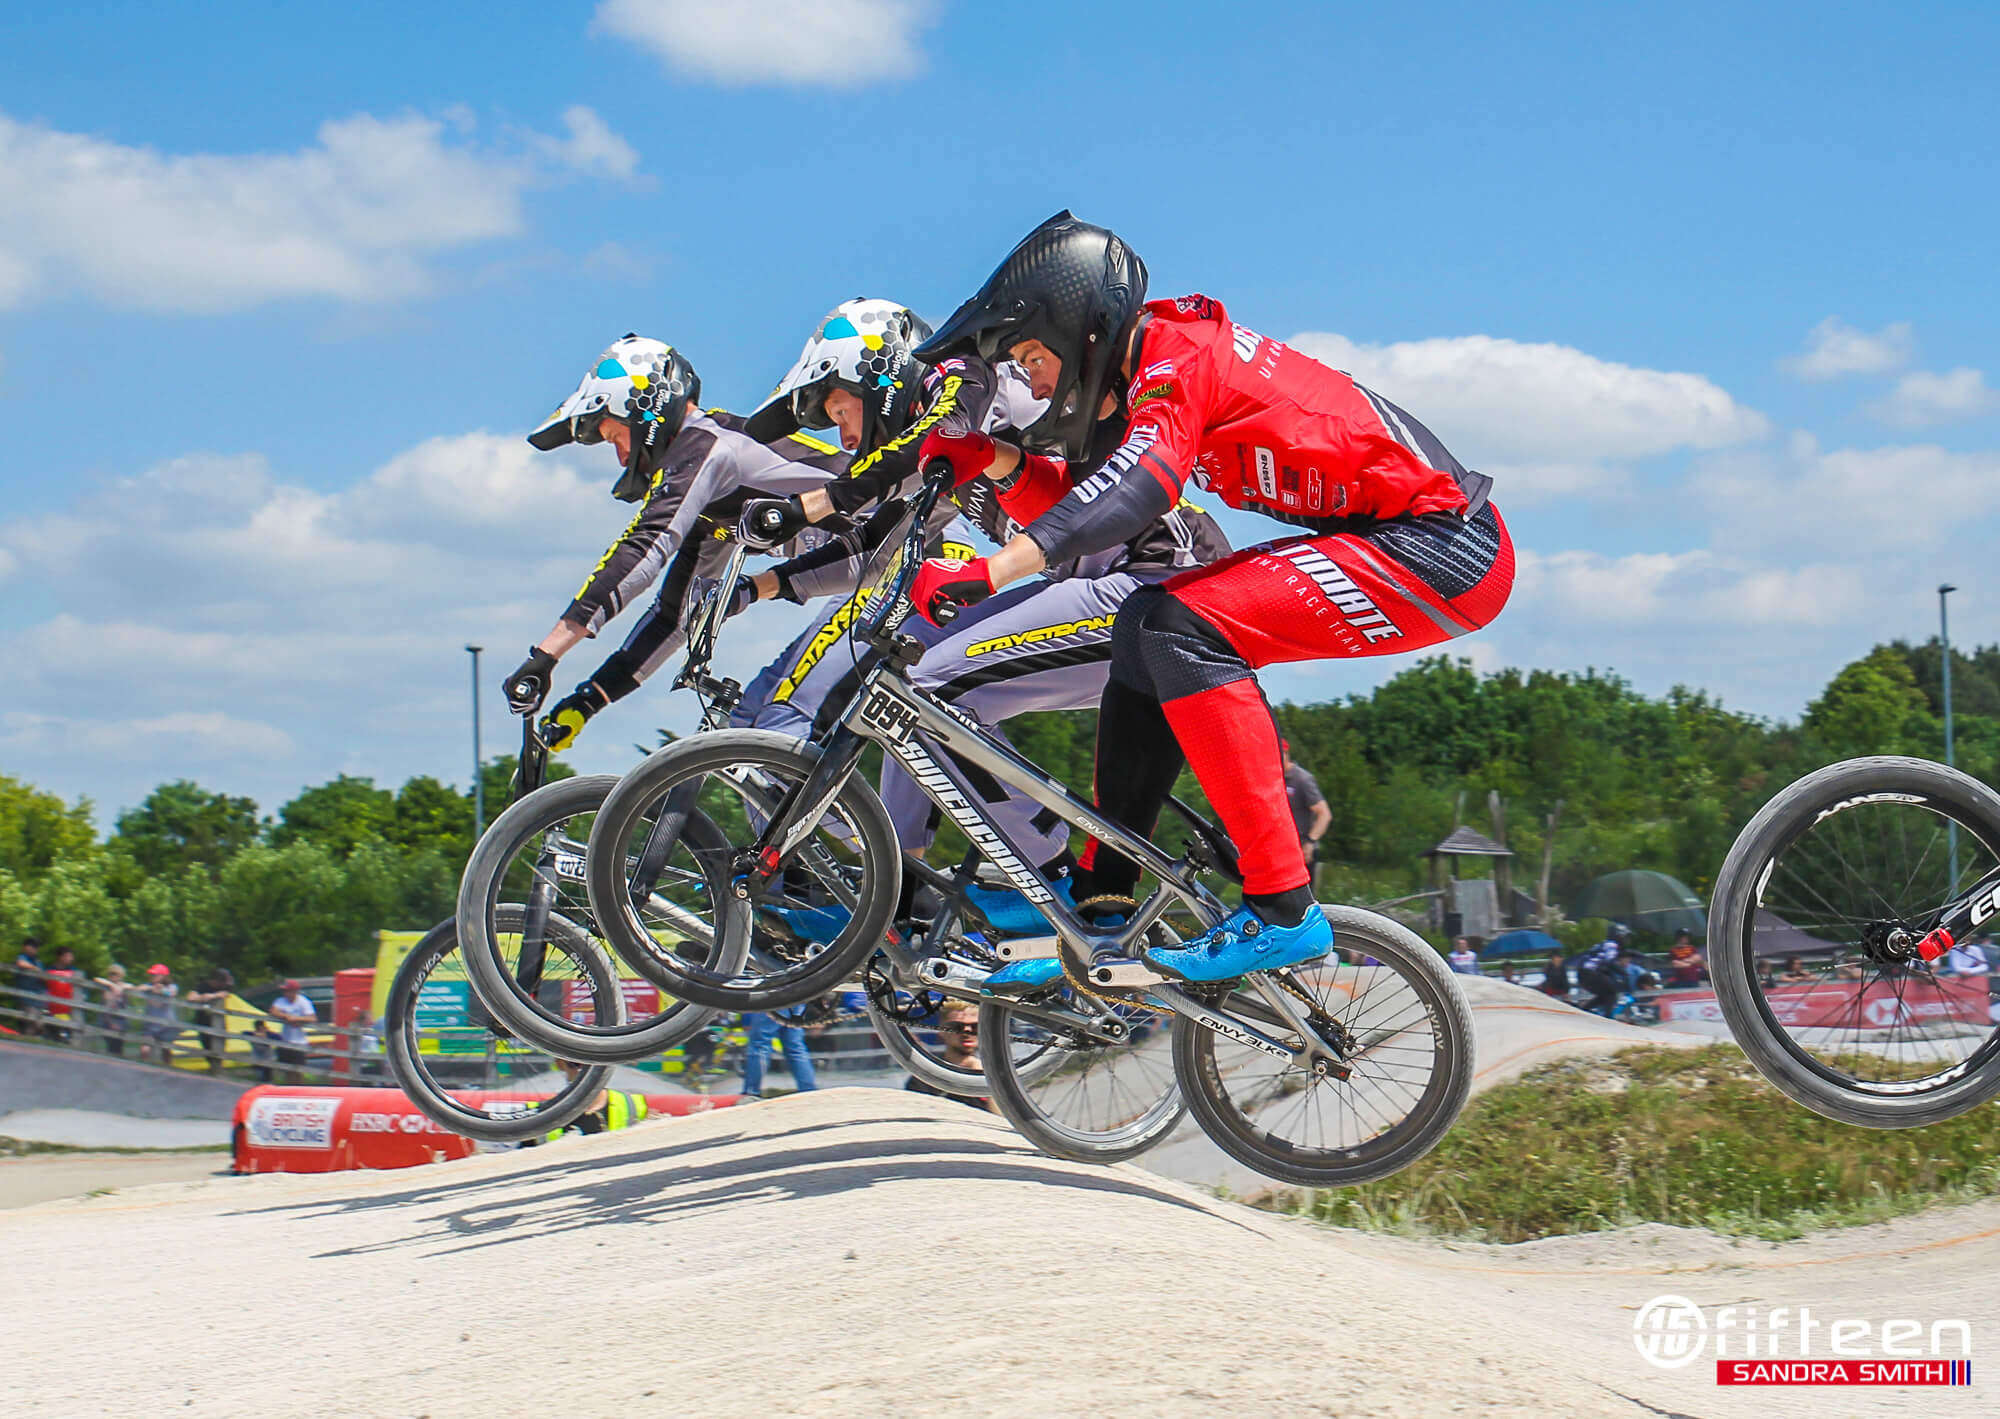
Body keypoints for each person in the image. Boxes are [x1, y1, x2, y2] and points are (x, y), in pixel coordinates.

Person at [906, 212, 1510, 983]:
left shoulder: (1175, 355)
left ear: (1081, 330)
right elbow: (1088, 503)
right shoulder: (1147, 377)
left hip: (1444, 545)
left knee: (1173, 624)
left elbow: (1137, 489)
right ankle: (1105, 903)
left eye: (1032, 358)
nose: (1035, 383)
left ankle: (1283, 905)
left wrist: (991, 573)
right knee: (1141, 627)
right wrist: (988, 456)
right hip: (1400, 537)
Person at [734, 297, 1229, 939]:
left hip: (1157, 579)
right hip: (1106, 585)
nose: (842, 436)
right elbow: (871, 544)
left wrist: (812, 503)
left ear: (880, 377)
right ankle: (901, 882)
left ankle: (1050, 873)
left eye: (839, 409)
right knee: (903, 675)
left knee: (926, 690)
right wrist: (760, 587)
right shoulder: (928, 455)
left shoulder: (963, 378)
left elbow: (902, 458)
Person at [502, 335, 848, 741]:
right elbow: (674, 617)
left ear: (643, 412)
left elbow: (644, 547)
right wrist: (588, 700)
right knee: (749, 723)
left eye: (616, 438)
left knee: (779, 717)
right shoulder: (711, 494)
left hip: (902, 554)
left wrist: (545, 656)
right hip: (869, 574)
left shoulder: (707, 446)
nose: (620, 458)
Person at [903, 1001, 992, 1111]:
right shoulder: (926, 1075)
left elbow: (1004, 1119)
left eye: (975, 1026)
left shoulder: (993, 1073)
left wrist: (987, 1080)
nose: (967, 1031)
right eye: (956, 1027)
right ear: (941, 1031)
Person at [740, 1004, 819, 1099]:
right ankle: (808, 1089)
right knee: (795, 1048)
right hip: (797, 998)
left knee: (759, 1045)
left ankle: (751, 1091)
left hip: (772, 997)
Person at [1280, 739, 1330, 886]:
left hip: (1302, 850)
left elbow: (1324, 814)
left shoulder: (1301, 779)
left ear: (1286, 754)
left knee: (1302, 900)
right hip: (1280, 850)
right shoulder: (1273, 779)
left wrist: (1310, 841)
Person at [183, 967, 235, 1075]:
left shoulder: (226, 987)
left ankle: (217, 1069)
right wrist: (207, 996)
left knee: (220, 1045)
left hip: (219, 1023)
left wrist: (213, 995)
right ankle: (213, 1068)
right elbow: (190, 997)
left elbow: (228, 991)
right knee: (206, 1045)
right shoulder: (203, 986)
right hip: (203, 1021)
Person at [270, 979, 315, 1085]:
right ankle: (288, 1090)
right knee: (287, 1070)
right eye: (284, 991)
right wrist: (286, 1016)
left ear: (295, 991)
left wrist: (297, 1019)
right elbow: (273, 1011)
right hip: (285, 1040)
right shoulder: (281, 1000)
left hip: (299, 1042)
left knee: (298, 1071)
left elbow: (312, 1018)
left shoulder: (304, 1002)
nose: (285, 993)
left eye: (287, 990)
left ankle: (299, 1091)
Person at [135, 963, 180, 1066]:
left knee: (166, 1050)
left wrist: (161, 990)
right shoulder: (148, 986)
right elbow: (137, 989)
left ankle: (167, 1069)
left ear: (163, 976)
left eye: (155, 975)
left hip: (167, 1025)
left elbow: (171, 993)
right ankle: (144, 1068)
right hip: (151, 1025)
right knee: (145, 1049)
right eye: (152, 975)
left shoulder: (172, 987)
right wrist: (152, 988)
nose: (152, 977)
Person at [1573, 930, 1625, 1017]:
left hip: (1581, 974)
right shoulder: (1612, 945)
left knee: (1605, 994)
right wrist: (1623, 973)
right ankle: (1608, 1017)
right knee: (1613, 991)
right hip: (1590, 972)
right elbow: (1609, 961)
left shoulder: (1602, 944)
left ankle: (1585, 1010)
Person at [42, 945, 80, 1043]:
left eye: (71, 956)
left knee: (66, 1038)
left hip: (68, 1011)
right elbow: (43, 988)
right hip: (51, 1010)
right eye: (68, 956)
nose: (71, 958)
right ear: (61, 957)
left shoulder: (74, 972)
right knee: (51, 1036)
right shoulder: (49, 971)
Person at [93, 962, 132, 1056]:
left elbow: (131, 986)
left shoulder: (124, 986)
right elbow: (96, 979)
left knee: (118, 1046)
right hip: (107, 1019)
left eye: (116, 974)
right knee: (109, 1043)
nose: (113, 976)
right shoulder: (106, 985)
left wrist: (121, 987)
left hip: (120, 1020)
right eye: (111, 973)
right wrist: (111, 985)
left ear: (121, 975)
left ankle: (117, 1059)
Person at [12, 936, 43, 1037]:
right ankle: (26, 1040)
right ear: (25, 947)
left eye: (36, 947)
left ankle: (27, 1040)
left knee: (36, 1023)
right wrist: (34, 968)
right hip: (25, 997)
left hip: (37, 998)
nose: (35, 949)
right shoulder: (23, 957)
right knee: (33, 1021)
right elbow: (21, 963)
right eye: (32, 946)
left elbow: (43, 976)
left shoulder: (38, 961)